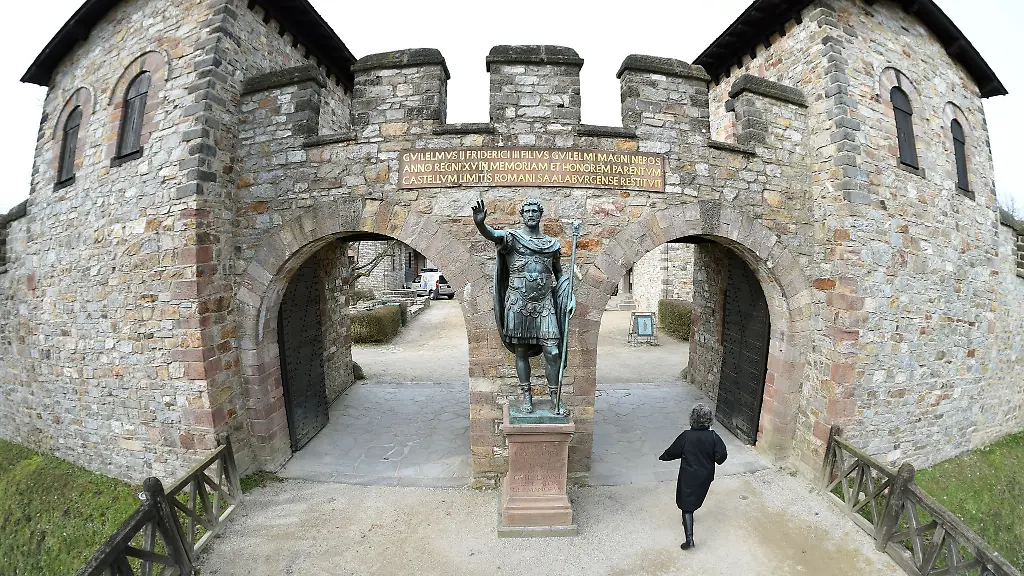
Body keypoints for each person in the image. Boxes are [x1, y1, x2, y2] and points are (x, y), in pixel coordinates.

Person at [472, 198, 575, 413]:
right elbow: (492, 234)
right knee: (521, 352)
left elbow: (560, 275)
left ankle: (556, 398)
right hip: (518, 302)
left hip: (545, 303)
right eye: (526, 211)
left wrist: (569, 294)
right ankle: (526, 397)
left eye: (534, 211)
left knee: (553, 352)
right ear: (522, 214)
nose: (530, 214)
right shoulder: (511, 238)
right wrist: (481, 224)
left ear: (540, 214)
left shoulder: (551, 244)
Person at [659, 403, 728, 550]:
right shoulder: (714, 437)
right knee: (695, 499)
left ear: (692, 419)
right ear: (709, 419)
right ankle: (688, 518)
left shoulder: (686, 436)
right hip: (705, 476)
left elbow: (673, 451)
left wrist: (664, 456)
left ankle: (689, 539)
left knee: (686, 504)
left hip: (688, 475)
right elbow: (721, 458)